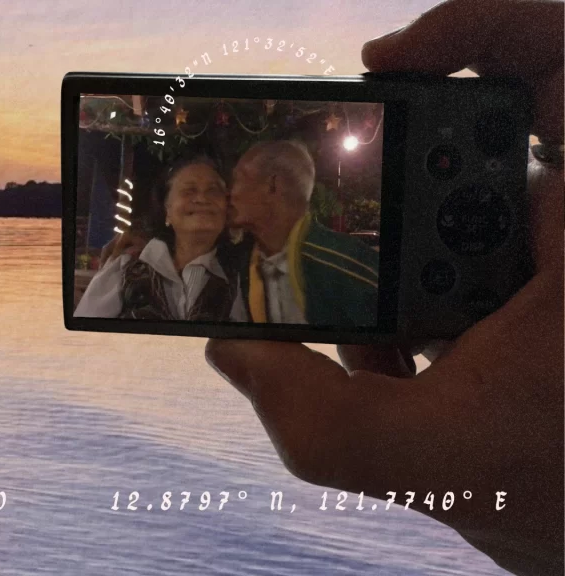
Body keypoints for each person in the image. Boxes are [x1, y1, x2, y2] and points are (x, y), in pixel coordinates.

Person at [204, 1, 563, 575]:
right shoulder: (249, 263)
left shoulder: (344, 272)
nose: (225, 193)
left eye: (237, 182)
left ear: (276, 189)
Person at [74, 155, 247, 321]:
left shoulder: (239, 279)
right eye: (189, 190)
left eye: (213, 190)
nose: (202, 198)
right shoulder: (127, 267)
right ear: (167, 212)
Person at [227, 139, 380, 326]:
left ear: (272, 185)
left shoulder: (344, 268)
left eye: (238, 179)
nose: (230, 192)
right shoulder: (243, 267)